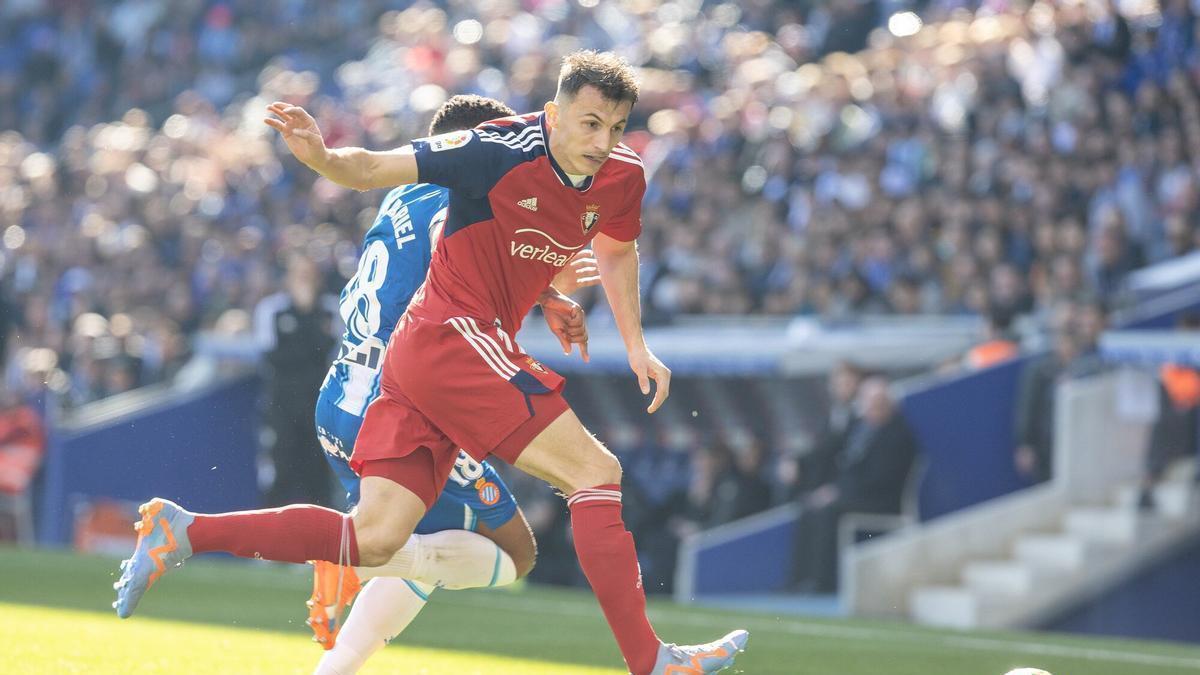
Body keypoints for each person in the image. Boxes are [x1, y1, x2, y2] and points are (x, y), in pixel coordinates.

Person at [114, 50, 746, 674]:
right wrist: (322, 156)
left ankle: (185, 531)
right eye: (588, 124)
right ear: (551, 115)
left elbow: (614, 250)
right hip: (451, 341)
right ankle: (651, 662)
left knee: (376, 538)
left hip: (394, 368)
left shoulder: (622, 173)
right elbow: (371, 169)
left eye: (615, 127)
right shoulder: (492, 152)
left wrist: (629, 340)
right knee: (593, 476)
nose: (603, 140)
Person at [308, 94, 598, 675]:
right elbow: (456, 242)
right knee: (514, 553)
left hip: (342, 391)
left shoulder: (399, 195)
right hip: (405, 397)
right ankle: (356, 560)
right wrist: (550, 278)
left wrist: (542, 292)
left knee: (430, 542)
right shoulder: (463, 192)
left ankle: (338, 657)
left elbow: (445, 261)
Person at [791, 377, 918, 592]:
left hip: (879, 499)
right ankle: (800, 579)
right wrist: (832, 490)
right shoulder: (860, 428)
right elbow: (838, 459)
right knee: (809, 508)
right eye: (868, 403)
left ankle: (824, 583)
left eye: (877, 404)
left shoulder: (898, 434)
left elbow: (880, 479)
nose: (871, 409)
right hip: (852, 493)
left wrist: (839, 493)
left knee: (828, 512)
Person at [254, 254, 340, 506]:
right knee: (279, 477)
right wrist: (307, 323)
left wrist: (307, 317)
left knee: (320, 480)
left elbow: (331, 353)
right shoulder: (271, 310)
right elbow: (273, 357)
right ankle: (267, 543)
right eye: (299, 275)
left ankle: (322, 543)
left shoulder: (331, 309)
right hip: (282, 406)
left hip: (319, 406)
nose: (304, 281)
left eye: (309, 275)